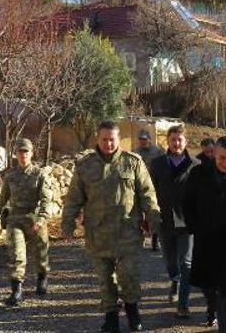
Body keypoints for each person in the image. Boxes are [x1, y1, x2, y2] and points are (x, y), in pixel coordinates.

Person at [62, 121, 161, 333]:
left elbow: (147, 193)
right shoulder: (84, 165)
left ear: (118, 140)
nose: (108, 143)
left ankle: (133, 312)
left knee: (128, 275)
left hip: (127, 232)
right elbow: (73, 199)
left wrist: (153, 218)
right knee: (105, 279)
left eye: (112, 140)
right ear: (97, 139)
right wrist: (67, 223)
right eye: (104, 139)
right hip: (98, 233)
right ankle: (111, 317)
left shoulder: (133, 162)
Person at [184, 136, 226, 332]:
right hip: (205, 240)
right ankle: (212, 305)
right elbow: (187, 203)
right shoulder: (198, 173)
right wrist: (195, 227)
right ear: (214, 154)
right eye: (222, 158)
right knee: (208, 285)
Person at [0, 138, 54, 306]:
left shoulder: (39, 174)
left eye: (26, 151)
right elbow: (2, 199)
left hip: (34, 218)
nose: (23, 155)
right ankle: (17, 290)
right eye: (20, 151)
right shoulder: (10, 176)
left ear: (31, 153)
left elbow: (46, 200)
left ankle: (42, 277)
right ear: (15, 154)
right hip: (15, 219)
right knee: (17, 254)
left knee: (41, 253)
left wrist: (41, 219)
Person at [148, 124, 200, 319]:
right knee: (171, 261)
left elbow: (201, 195)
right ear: (167, 141)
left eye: (180, 140)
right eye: (173, 140)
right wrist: (149, 214)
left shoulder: (195, 165)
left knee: (186, 263)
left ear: (185, 142)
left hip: (188, 222)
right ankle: (174, 279)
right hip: (165, 220)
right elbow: (150, 191)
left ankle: (183, 304)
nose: (176, 143)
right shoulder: (158, 163)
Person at [133, 128, 165, 251]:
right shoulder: (135, 152)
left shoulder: (158, 152)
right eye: (140, 139)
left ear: (149, 139)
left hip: (154, 185)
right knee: (138, 214)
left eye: (144, 139)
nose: (142, 141)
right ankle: (140, 238)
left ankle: (155, 241)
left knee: (154, 212)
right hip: (138, 186)